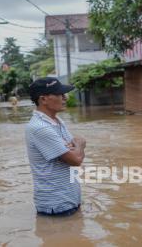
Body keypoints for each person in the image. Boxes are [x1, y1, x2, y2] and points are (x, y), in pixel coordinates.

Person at [25, 77, 86, 216]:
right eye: (60, 94)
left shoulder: (57, 121)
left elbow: (76, 154)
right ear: (43, 99)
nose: (65, 97)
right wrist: (80, 144)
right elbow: (76, 159)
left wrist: (76, 148)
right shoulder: (40, 128)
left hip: (69, 199)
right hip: (57, 205)